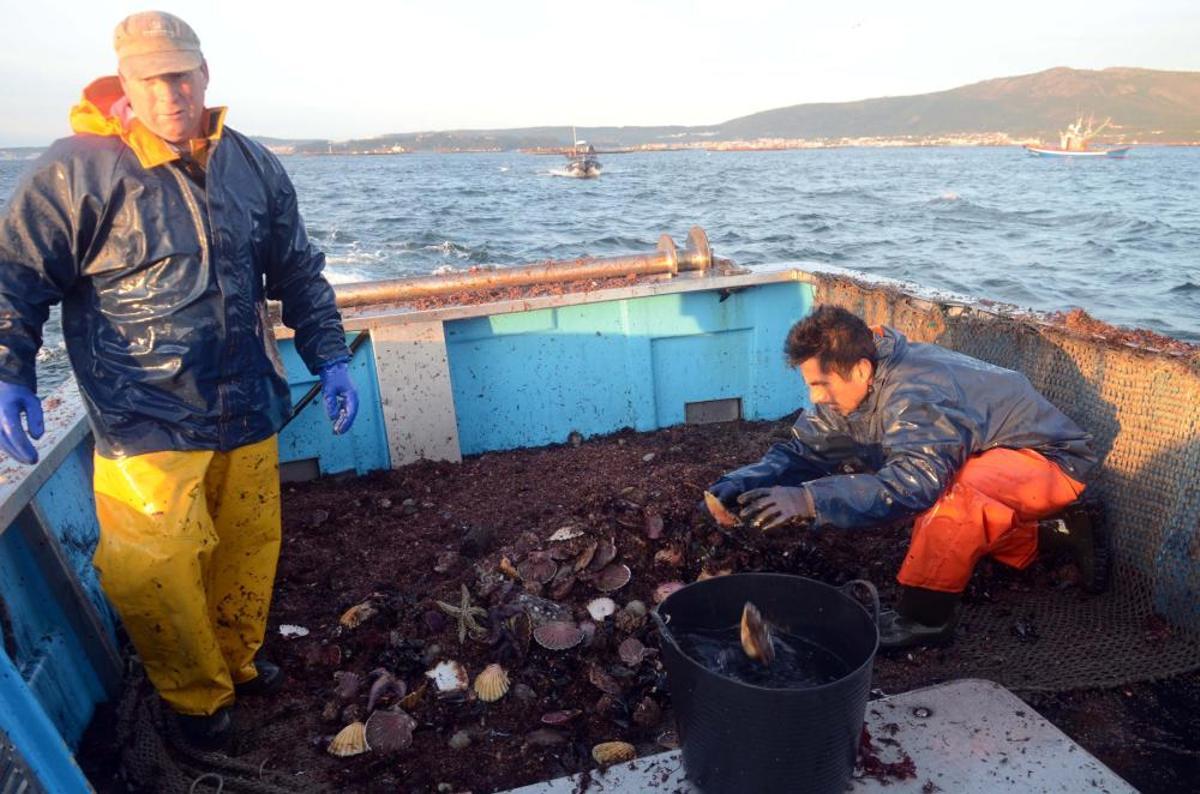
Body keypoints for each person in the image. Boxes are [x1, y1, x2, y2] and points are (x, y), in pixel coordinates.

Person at [0, 11, 358, 749]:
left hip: (249, 401)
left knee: (246, 549)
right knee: (151, 570)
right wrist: (10, 368)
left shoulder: (252, 163)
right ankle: (196, 702)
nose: (170, 94)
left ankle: (236, 662)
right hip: (143, 415)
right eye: (151, 79)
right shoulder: (73, 170)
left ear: (205, 74)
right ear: (124, 83)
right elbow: (17, 276)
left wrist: (330, 354)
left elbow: (297, 270)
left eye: (182, 76)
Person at [708, 306, 1106, 649]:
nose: (814, 397)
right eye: (809, 384)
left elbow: (915, 484)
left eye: (820, 384)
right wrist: (740, 483)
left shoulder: (913, 394)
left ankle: (925, 618)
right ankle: (1061, 533)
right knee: (954, 490)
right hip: (987, 454)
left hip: (1051, 461)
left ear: (860, 369)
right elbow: (805, 450)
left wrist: (810, 499)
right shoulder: (860, 380)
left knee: (954, 499)